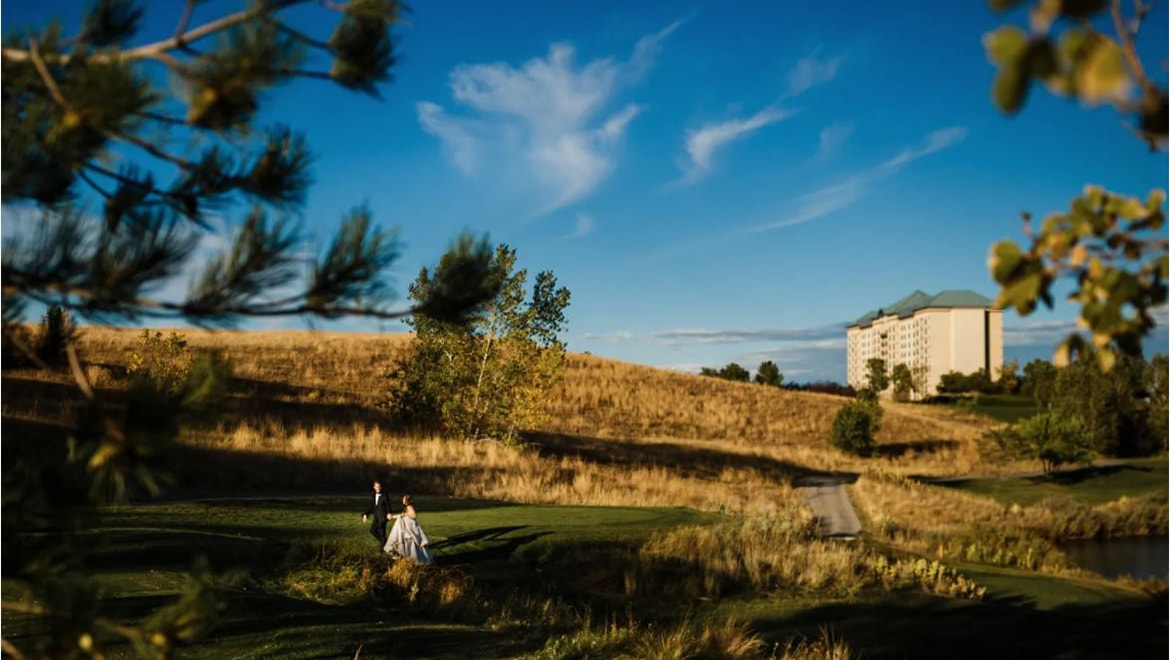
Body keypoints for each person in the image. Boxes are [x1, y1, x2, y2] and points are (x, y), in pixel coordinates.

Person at [383, 494, 434, 564]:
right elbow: (401, 515)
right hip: (407, 527)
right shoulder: (407, 507)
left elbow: (414, 515)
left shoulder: (409, 507)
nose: (402, 500)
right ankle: (411, 558)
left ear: (406, 500)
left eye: (403, 499)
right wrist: (392, 517)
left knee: (411, 543)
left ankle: (415, 559)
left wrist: (405, 515)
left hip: (410, 528)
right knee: (409, 543)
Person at [361, 480, 393, 549]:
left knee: (382, 532)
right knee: (372, 530)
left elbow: (388, 505)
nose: (378, 488)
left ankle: (383, 549)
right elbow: (371, 505)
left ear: (381, 487)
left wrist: (389, 513)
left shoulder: (385, 495)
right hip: (376, 516)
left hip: (383, 517)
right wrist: (366, 514)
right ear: (374, 487)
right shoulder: (374, 495)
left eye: (379, 487)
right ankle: (384, 542)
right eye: (376, 487)